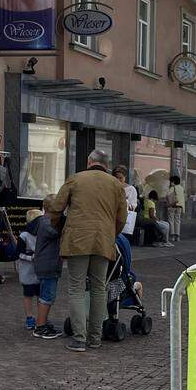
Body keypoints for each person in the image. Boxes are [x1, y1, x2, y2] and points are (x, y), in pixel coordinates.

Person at [50, 149, 128, 352]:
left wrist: (60, 228)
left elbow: (56, 208)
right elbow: (122, 219)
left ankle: (79, 338)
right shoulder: (116, 185)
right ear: (106, 165)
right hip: (103, 241)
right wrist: (111, 233)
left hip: (77, 240)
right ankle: (95, 338)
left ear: (89, 161)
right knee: (99, 288)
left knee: (76, 288)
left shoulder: (75, 179)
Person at [30, 195, 64, 339]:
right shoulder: (46, 223)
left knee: (44, 295)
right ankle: (41, 326)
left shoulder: (43, 222)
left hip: (45, 265)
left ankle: (41, 321)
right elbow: (57, 233)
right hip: (48, 265)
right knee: (47, 297)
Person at [17, 208, 43, 330]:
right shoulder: (24, 236)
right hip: (27, 270)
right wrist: (31, 257)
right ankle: (29, 317)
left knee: (39, 295)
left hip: (39, 269)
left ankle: (41, 317)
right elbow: (19, 254)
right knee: (28, 294)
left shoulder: (42, 234)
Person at [113, 166, 138, 243]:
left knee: (123, 241)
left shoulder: (131, 189)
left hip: (124, 218)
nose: (118, 180)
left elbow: (133, 205)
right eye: (116, 177)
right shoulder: (111, 188)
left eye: (121, 178)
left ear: (125, 177)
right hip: (112, 217)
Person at [166, 175, 185, 243]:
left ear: (173, 181)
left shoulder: (173, 188)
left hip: (173, 206)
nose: (170, 183)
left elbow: (167, 195)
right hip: (179, 206)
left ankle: (172, 236)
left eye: (171, 181)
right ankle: (178, 236)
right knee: (177, 221)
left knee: (171, 220)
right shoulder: (181, 188)